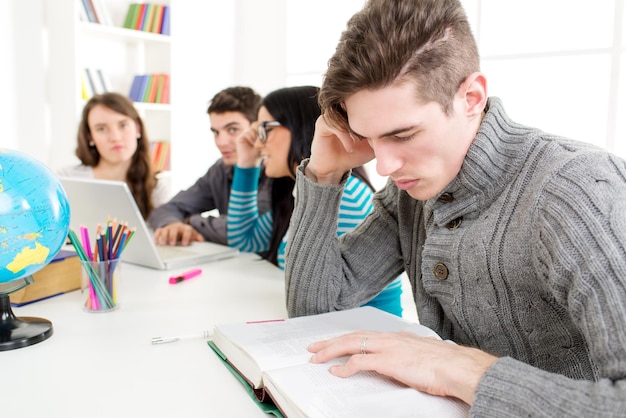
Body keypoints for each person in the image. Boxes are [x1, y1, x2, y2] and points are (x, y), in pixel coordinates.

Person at [284, 0, 626, 415]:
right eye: (368, 139)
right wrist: (323, 176)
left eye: (404, 134)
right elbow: (313, 311)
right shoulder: (412, 192)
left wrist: (462, 371)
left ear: (471, 97)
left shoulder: (578, 191)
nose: (384, 165)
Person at [226, 86, 402, 317]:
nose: (258, 145)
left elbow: (320, 305)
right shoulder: (299, 190)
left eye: (264, 130)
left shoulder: (345, 197)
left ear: (301, 125)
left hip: (363, 333)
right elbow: (245, 239)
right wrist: (246, 163)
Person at [148, 86, 272, 246]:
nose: (221, 142)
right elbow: (167, 209)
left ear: (256, 129)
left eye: (232, 129)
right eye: (216, 132)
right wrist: (173, 225)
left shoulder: (276, 171)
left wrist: (189, 221)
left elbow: (243, 231)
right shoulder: (220, 170)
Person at [57, 92, 170, 219]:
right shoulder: (65, 180)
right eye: (102, 129)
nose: (115, 137)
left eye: (123, 125)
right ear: (90, 137)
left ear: (137, 128)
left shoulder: (156, 189)